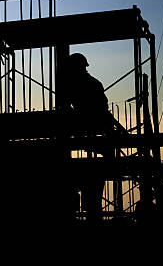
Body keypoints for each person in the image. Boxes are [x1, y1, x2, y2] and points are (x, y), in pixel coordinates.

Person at [65, 52, 115, 224]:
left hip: (93, 128)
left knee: (93, 181)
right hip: (91, 129)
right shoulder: (86, 84)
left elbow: (100, 110)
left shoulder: (83, 85)